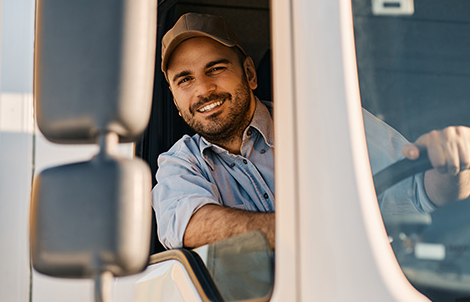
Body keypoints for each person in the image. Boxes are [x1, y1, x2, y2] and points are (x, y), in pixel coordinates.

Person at [152, 12, 470, 250]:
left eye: (216, 69)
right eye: (185, 79)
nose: (204, 90)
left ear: (249, 73)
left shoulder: (327, 121)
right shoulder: (180, 164)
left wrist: (452, 165)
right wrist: (318, 233)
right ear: (177, 102)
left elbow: (418, 194)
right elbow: (189, 225)